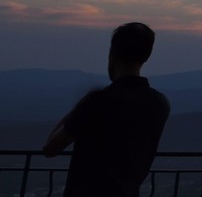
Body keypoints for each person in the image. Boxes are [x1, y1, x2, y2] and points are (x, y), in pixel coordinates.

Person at [43, 22, 171, 197]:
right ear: (146, 56)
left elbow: (50, 148)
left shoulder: (97, 101)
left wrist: (79, 108)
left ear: (113, 53)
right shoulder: (159, 103)